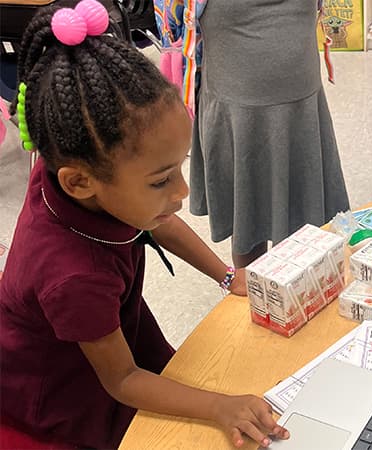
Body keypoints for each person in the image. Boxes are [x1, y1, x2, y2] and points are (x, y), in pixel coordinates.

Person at [0, 1, 289, 448]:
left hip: (107, 329)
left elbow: (156, 221)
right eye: (161, 180)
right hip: (67, 385)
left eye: (178, 168)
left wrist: (226, 275)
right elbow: (121, 379)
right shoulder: (73, 277)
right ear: (80, 182)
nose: (182, 192)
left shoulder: (82, 175)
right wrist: (219, 406)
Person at [189, 0, 351, 268]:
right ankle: (255, 295)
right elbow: (174, 24)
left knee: (307, 223)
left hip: (300, 100)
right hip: (238, 100)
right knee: (246, 219)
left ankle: (302, 292)